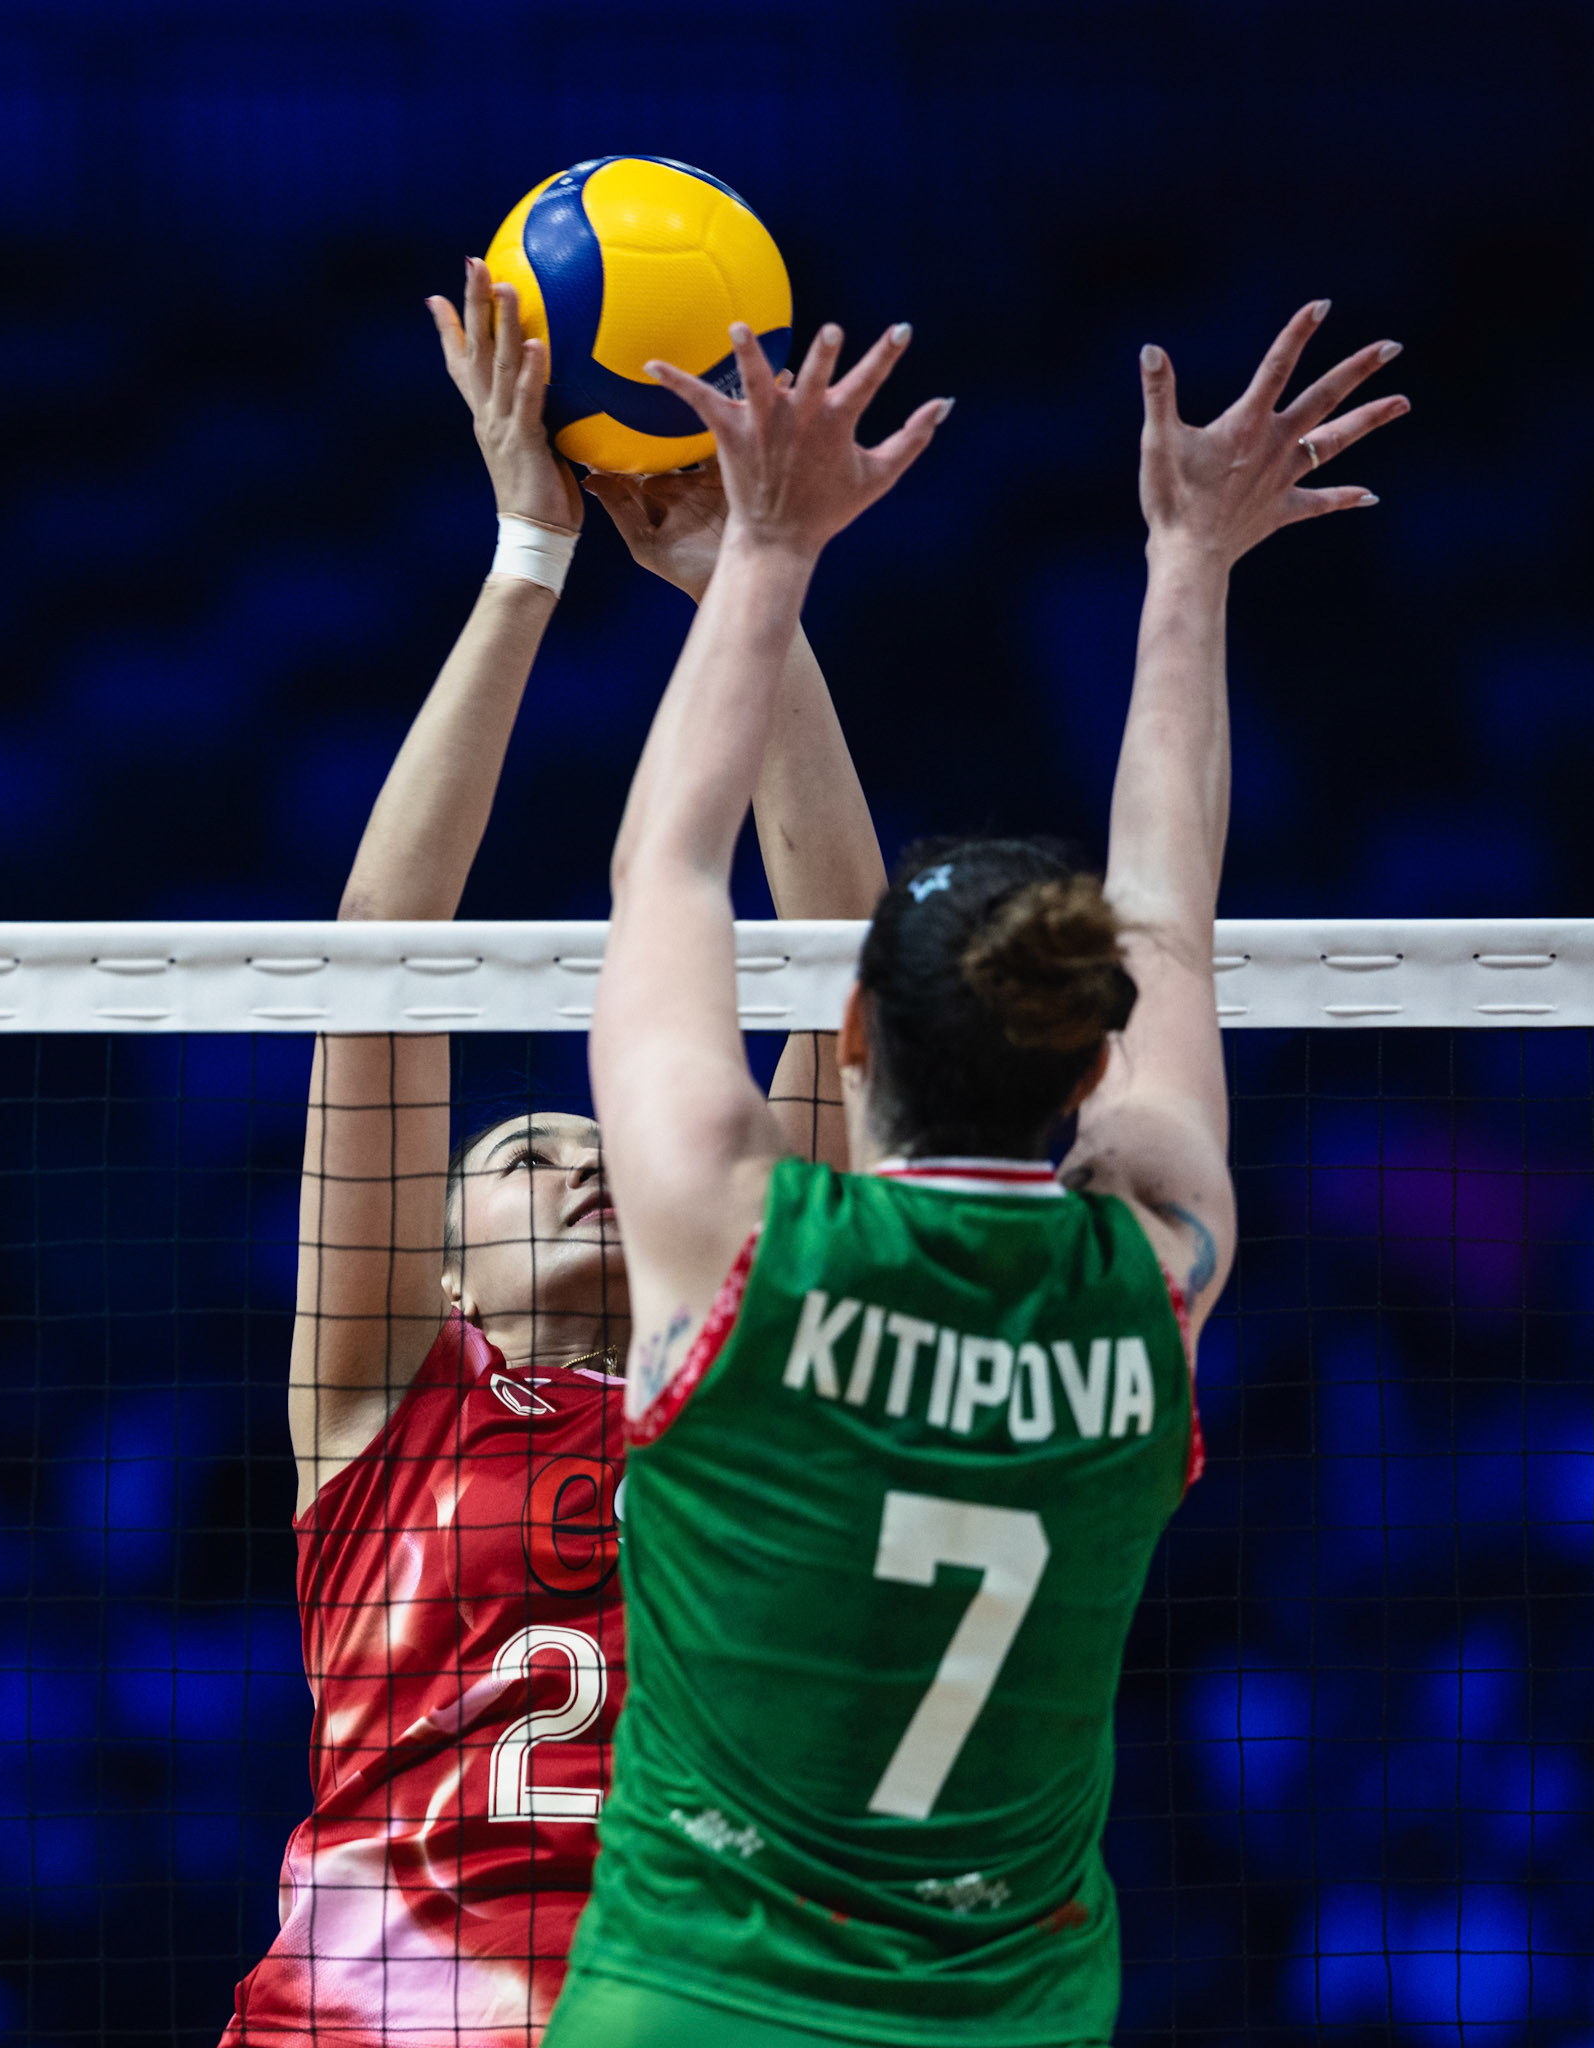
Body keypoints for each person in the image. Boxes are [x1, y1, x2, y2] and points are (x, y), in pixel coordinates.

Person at [547, 301, 1409, 2046]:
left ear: (848, 1041)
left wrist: (767, 549)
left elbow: (663, 866)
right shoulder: (1152, 1270)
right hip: (1006, 2021)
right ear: (1095, 1067)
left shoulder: (739, 1243)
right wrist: (1192, 566)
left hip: (696, 2011)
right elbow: (1167, 920)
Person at [222, 261, 889, 2047]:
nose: (584, 1157)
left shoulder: (755, 1378)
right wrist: (529, 553)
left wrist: (754, 577)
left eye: (593, 1136)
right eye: (521, 1151)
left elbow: (847, 984)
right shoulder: (383, 1406)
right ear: (434, 1264)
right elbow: (381, 958)